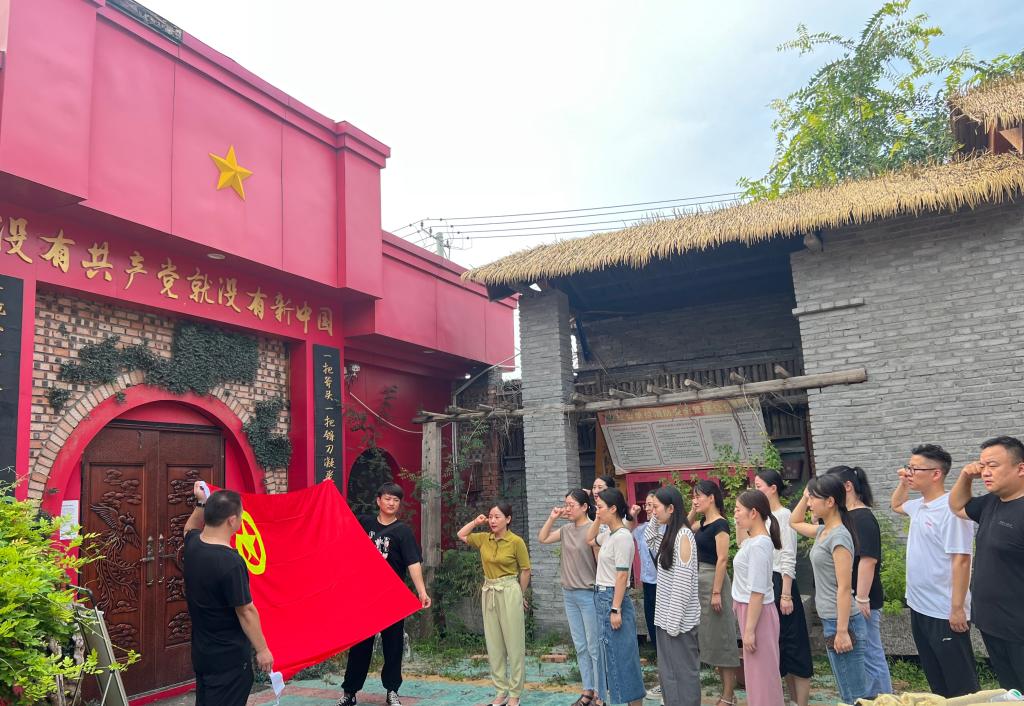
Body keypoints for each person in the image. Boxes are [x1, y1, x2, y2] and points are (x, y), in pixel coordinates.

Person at [890, 444, 978, 697]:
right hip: (919, 605)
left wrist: (957, 608)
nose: (909, 473)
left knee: (960, 684)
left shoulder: (952, 509)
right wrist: (903, 483)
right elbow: (896, 505)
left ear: (936, 474)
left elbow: (962, 560)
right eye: (908, 467)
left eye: (914, 469)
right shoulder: (919, 505)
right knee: (936, 678)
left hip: (944, 609)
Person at [339, 483, 432, 706]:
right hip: (365, 596)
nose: (391, 503)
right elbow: (338, 523)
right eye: (388, 499)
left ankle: (392, 691)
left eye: (396, 500)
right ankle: (350, 692)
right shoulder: (364, 523)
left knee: (393, 646)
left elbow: (413, 563)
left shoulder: (403, 532)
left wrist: (422, 591)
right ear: (378, 500)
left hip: (392, 598)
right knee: (360, 646)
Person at [183, 484, 273, 706]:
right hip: (228, 659)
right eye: (241, 515)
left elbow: (189, 528)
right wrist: (262, 650)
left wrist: (201, 502)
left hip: (203, 653)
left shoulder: (193, 545)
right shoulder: (230, 562)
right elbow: (246, 611)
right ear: (232, 520)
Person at [949, 435, 1024, 690]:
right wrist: (966, 476)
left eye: (993, 465)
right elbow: (957, 506)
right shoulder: (991, 502)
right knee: (1012, 693)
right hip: (992, 624)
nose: (985, 472)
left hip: (1019, 630)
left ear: (1020, 468)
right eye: (982, 466)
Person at [791, 474, 869, 704]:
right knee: (846, 688)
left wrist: (842, 631)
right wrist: (805, 495)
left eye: (813, 498)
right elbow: (794, 522)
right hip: (831, 619)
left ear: (830, 501)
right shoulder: (822, 531)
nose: (810, 503)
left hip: (842, 621)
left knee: (854, 694)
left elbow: (844, 588)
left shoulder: (839, 536)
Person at [826, 465, 892, 697]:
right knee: (864, 656)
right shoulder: (847, 516)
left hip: (863, 599)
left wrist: (861, 597)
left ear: (847, 487)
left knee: (871, 654)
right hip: (853, 598)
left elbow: (868, 560)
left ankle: (884, 698)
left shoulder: (863, 518)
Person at [458, 502, 531, 706]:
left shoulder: (516, 541)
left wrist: (520, 595)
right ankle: (500, 692)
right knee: (494, 644)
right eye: (490, 516)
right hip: (489, 590)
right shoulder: (484, 538)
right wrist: (476, 522)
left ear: (508, 519)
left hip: (509, 590)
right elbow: (461, 534)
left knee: (514, 645)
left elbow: (525, 570)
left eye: (497, 517)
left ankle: (515, 694)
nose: (492, 520)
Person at [538, 489, 604, 706]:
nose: (567, 509)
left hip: (588, 594)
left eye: (571, 505)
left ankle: (600, 694)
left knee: (594, 646)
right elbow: (543, 538)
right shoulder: (566, 530)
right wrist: (552, 517)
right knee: (580, 646)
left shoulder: (593, 528)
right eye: (565, 504)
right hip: (569, 594)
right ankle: (587, 690)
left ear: (584, 507)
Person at [752, 470, 813, 706]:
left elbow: (788, 556)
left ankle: (802, 702)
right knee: (780, 648)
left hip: (782, 584)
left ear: (773, 488)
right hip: (766, 584)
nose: (755, 490)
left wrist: (786, 595)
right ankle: (790, 699)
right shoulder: (762, 517)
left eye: (759, 486)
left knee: (794, 645)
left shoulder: (784, 515)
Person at [586, 488, 645, 706]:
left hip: (612, 597)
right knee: (610, 653)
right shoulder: (610, 534)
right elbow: (589, 539)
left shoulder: (622, 537)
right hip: (603, 596)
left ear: (613, 509)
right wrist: (597, 518)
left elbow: (622, 575)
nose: (597, 510)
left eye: (600, 507)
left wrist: (615, 608)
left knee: (623, 655)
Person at [645, 485, 700, 706]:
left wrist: (673, 624)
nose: (653, 512)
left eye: (656, 507)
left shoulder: (683, 536)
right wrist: (655, 516)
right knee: (669, 675)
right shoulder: (670, 533)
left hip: (678, 623)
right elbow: (649, 539)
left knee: (683, 675)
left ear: (671, 508)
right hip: (665, 620)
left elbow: (683, 585)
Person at [688, 480, 740, 706]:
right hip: (700, 580)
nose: (695, 500)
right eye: (693, 496)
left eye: (698, 496)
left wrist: (716, 592)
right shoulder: (702, 523)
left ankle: (728, 695)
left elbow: (722, 559)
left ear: (711, 498)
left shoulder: (720, 524)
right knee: (711, 638)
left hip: (713, 580)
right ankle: (727, 692)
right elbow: (682, 530)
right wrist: (692, 510)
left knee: (722, 638)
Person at [732, 489, 784, 706]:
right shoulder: (752, 541)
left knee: (763, 677)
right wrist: (739, 522)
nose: (734, 514)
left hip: (757, 613)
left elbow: (757, 591)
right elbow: (740, 540)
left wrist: (750, 630)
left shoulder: (760, 544)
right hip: (750, 611)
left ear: (753, 513)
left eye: (738, 510)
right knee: (756, 677)